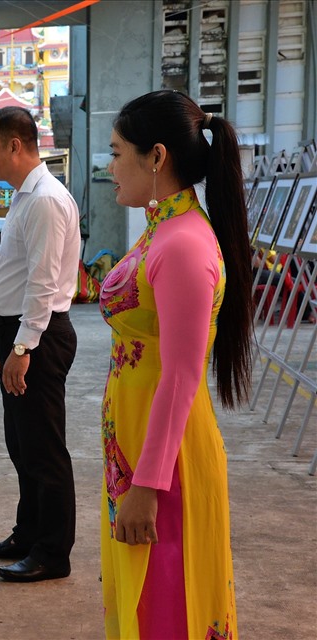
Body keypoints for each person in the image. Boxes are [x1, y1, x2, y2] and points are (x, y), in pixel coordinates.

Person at [99, 90, 251, 638]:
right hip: (138, 444)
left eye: (117, 153)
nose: (109, 167)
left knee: (167, 606)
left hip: (167, 462)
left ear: (156, 157)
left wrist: (148, 485)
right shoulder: (162, 228)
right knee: (140, 601)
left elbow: (183, 374)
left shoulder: (184, 244)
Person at [0, 106, 81, 582]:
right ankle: (28, 533)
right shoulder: (24, 195)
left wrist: (23, 348)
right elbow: (17, 274)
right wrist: (7, 338)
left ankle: (52, 553)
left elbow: (43, 283)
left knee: (43, 450)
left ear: (16, 146)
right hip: (19, 330)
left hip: (38, 334)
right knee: (22, 445)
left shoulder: (44, 200)